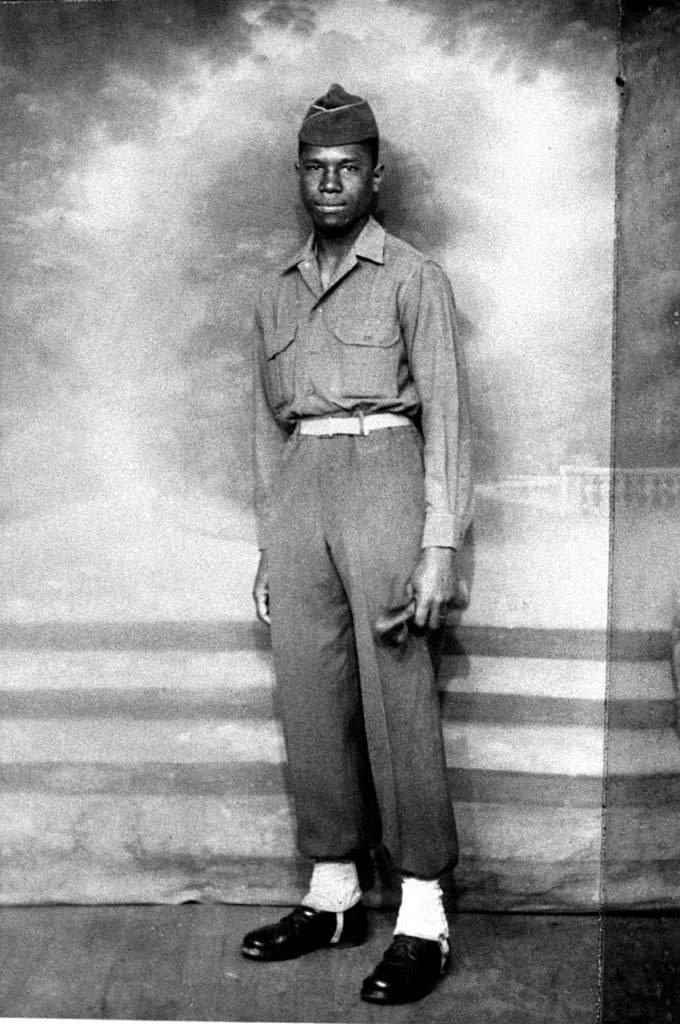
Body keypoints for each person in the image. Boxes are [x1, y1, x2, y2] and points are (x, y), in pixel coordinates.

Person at [242, 83, 473, 1005]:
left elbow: (448, 416)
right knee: (308, 693)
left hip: (386, 476)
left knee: (397, 698)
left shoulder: (413, 275)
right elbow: (267, 428)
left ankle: (423, 914)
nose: (330, 182)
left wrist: (440, 546)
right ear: (299, 178)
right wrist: (270, 539)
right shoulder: (274, 291)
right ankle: (333, 893)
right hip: (302, 492)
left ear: (376, 178)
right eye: (315, 168)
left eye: (348, 168)